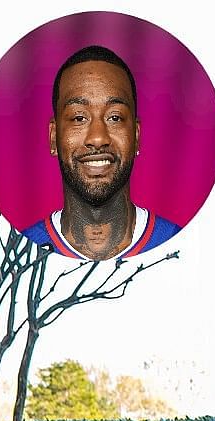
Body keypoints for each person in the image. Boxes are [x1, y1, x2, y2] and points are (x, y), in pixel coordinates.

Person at [20, 44, 179, 260]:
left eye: (115, 117)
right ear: (53, 137)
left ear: (137, 136)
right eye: (79, 118)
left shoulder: (176, 245)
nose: (97, 138)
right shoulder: (21, 257)